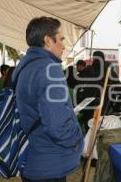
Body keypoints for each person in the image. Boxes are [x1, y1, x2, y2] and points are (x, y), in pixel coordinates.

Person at [12, 16, 83, 182]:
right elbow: (57, 124)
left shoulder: (26, 67)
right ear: (47, 40)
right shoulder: (48, 69)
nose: (64, 46)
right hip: (49, 163)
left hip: (33, 158)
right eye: (61, 39)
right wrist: (77, 141)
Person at [77, 51, 121, 131]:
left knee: (89, 135)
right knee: (100, 135)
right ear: (103, 58)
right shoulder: (109, 71)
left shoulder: (87, 71)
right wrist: (115, 107)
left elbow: (79, 89)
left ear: (93, 58)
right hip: (104, 111)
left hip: (88, 110)